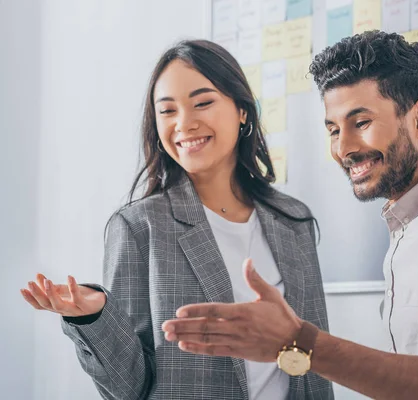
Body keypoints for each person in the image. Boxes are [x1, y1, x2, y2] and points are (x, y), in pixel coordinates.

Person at [161, 31, 418, 400]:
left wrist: (302, 343)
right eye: (333, 130)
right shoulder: (413, 221)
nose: (343, 148)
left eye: (361, 123)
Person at [20, 40, 333, 400]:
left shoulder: (293, 221)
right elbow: (129, 389)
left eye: (202, 103)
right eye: (167, 111)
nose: (185, 123)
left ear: (242, 110)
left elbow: (315, 364)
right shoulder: (139, 227)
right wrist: (95, 317)